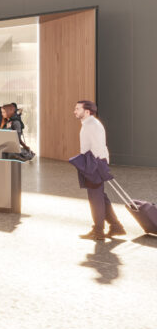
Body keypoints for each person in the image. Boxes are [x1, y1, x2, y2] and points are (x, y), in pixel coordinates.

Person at [72, 100, 125, 241]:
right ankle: (116, 227)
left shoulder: (91, 125)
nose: (75, 111)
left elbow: (98, 147)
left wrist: (93, 167)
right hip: (95, 162)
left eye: (77, 109)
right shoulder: (89, 123)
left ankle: (98, 231)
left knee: (95, 198)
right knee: (100, 196)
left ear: (87, 111)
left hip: (94, 164)